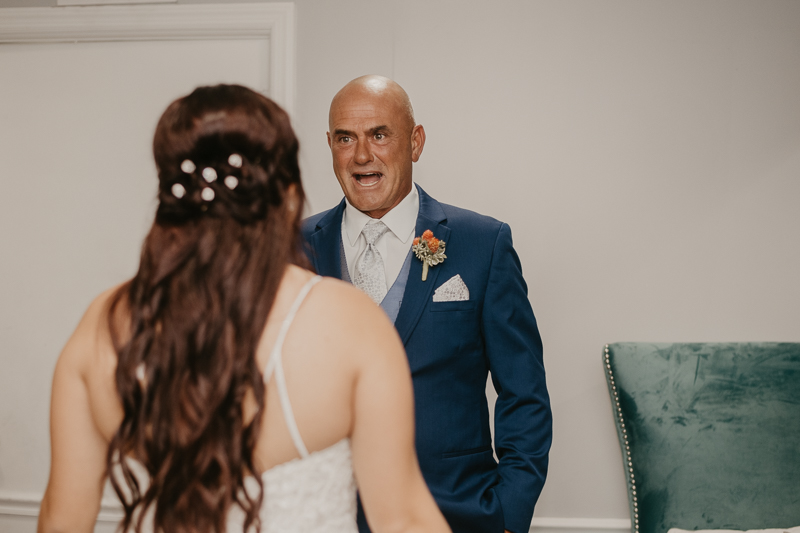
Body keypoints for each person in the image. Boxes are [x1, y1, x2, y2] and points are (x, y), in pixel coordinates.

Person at [38, 84, 450, 533]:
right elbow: (404, 520)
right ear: (290, 196)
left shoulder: (103, 327)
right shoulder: (348, 324)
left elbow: (61, 522)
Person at [301, 75, 552, 533]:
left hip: (455, 514)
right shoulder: (290, 249)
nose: (362, 156)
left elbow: (524, 394)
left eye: (379, 135)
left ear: (415, 142)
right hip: (324, 518)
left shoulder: (483, 244)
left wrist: (508, 516)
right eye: (345, 138)